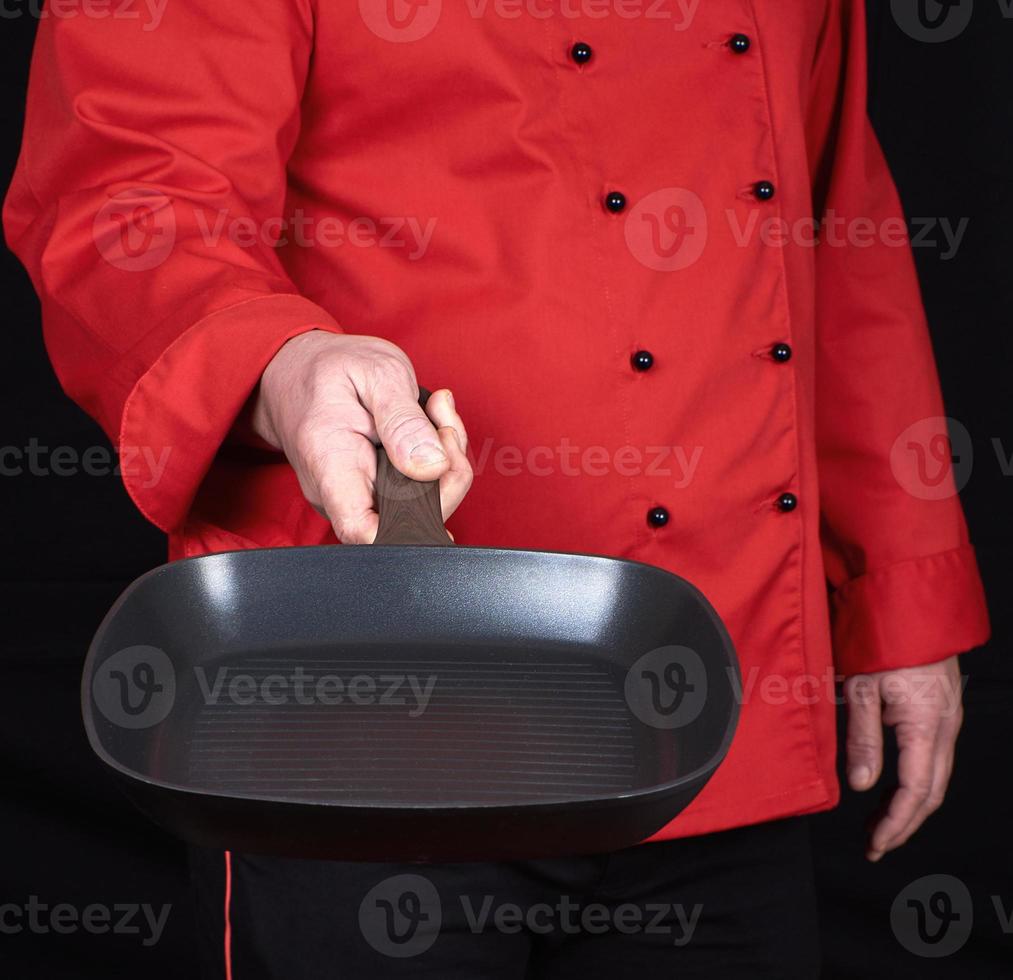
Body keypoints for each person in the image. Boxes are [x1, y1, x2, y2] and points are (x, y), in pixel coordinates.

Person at [4, 1, 990, 976]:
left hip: (716, 693)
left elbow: (834, 222)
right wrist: (275, 363)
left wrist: (897, 591)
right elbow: (127, 190)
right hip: (350, 708)